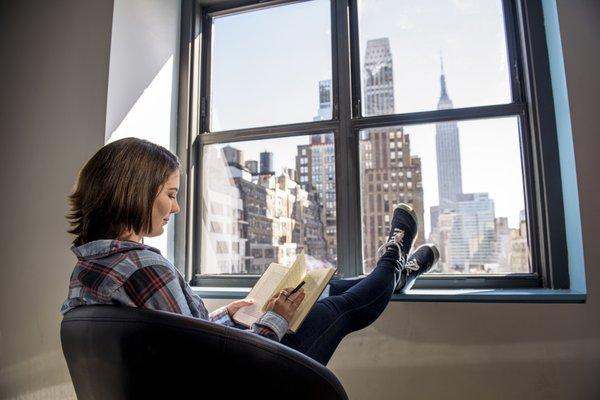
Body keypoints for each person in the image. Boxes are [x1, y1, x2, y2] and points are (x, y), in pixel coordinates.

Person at [61, 137, 438, 365]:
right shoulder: (143, 265)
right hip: (241, 382)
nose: (175, 209)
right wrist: (272, 320)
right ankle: (394, 257)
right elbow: (203, 366)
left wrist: (225, 313)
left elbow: (174, 343)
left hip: (195, 377)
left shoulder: (89, 267)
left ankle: (397, 274)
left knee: (322, 288)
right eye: (171, 195)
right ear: (135, 192)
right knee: (338, 307)